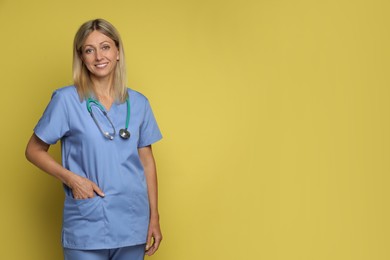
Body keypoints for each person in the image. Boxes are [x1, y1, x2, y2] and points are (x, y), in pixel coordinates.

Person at [25, 18, 163, 260]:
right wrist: (72, 179)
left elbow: (147, 161)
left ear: (118, 52)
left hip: (132, 221)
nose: (99, 56)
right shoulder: (66, 101)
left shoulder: (139, 103)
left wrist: (154, 217)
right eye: (89, 50)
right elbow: (33, 150)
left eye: (105, 47)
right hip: (87, 225)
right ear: (82, 57)